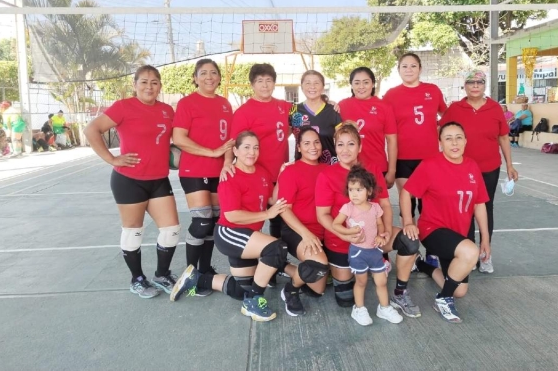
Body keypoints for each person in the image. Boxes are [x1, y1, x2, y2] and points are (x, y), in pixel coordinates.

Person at [170, 132, 313, 321]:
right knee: (277, 248)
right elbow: (232, 215)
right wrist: (266, 214)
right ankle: (254, 301)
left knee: (241, 290)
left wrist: (281, 175)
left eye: (256, 147)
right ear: (235, 150)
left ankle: (196, 279)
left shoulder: (261, 172)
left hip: (248, 236)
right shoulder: (230, 176)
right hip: (231, 234)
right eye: (246, 147)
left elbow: (271, 199)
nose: (252, 152)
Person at [84, 65, 180, 299]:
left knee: (171, 230)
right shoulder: (123, 106)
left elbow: (176, 141)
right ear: (135, 85)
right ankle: (137, 279)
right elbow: (91, 129)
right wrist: (111, 158)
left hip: (158, 179)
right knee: (133, 232)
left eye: (154, 82)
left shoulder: (167, 110)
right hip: (129, 180)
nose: (149, 86)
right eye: (144, 82)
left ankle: (162, 274)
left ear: (160, 86)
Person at [315, 122, 420, 318]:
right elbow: (322, 215)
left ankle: (399, 291)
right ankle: (359, 269)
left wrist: (386, 231)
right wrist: (344, 235)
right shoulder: (326, 175)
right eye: (340, 144)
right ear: (335, 147)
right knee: (345, 300)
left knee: (410, 241)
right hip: (342, 242)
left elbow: (386, 206)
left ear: (360, 147)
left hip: (372, 238)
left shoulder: (371, 169)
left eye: (351, 144)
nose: (345, 150)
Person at [400, 122, 490, 324]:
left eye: (459, 137)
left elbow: (479, 204)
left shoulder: (472, 166)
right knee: (469, 252)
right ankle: (442, 299)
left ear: (466, 141)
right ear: (440, 143)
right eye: (448, 138)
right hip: (433, 229)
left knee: (460, 290)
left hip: (458, 234)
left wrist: (486, 237)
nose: (454, 142)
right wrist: (408, 221)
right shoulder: (430, 165)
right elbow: (407, 192)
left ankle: (422, 265)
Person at [439, 69, 518, 274]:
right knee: (463, 210)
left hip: (489, 168)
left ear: (485, 86)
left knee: (485, 210)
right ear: (464, 86)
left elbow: (503, 138)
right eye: (471, 82)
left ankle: (485, 255)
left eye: (479, 82)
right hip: (460, 170)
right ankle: (469, 255)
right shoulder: (455, 108)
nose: (475, 86)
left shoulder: (494, 108)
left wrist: (509, 165)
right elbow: (442, 134)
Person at [172, 59, 235, 294]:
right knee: (202, 221)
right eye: (203, 73)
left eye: (213, 73)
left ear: (219, 77)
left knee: (214, 222)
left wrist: (227, 161)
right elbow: (179, 138)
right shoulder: (187, 103)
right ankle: (190, 272)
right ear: (195, 78)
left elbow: (229, 140)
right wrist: (211, 152)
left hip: (219, 172)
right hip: (194, 170)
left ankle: (205, 269)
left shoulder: (225, 104)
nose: (209, 77)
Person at [383, 52, 447, 266]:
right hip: (403, 158)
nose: (409, 70)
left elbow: (446, 116)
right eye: (404, 66)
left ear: (420, 68)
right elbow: (378, 117)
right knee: (407, 205)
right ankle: (410, 250)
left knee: (428, 206)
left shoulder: (432, 90)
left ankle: (431, 251)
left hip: (429, 158)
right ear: (398, 70)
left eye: (413, 66)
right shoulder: (391, 95)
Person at [332, 165, 403, 325]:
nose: (354, 194)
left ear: (369, 191)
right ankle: (359, 309)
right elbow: (335, 224)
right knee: (361, 281)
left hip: (374, 252)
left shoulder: (375, 207)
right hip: (358, 253)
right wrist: (349, 232)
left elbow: (380, 224)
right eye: (351, 190)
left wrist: (381, 235)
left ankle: (384, 308)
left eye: (359, 190)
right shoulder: (348, 208)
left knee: (381, 281)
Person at [230, 63, 291, 239]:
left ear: (274, 83)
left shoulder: (285, 106)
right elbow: (235, 142)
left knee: (280, 218)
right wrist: (228, 163)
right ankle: (251, 257)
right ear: (252, 84)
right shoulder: (244, 112)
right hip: (256, 174)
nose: (264, 85)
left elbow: (305, 112)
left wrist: (329, 103)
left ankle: (277, 259)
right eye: (259, 81)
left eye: (269, 80)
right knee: (255, 219)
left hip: (280, 174)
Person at [277, 127, 330, 300]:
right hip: (297, 231)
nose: (313, 147)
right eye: (306, 143)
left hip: (324, 231)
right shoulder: (291, 171)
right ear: (298, 147)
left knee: (317, 290)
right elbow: (284, 209)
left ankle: (282, 266)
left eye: (316, 142)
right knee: (318, 266)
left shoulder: (327, 169)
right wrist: (306, 234)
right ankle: (290, 290)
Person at [338, 67, 397, 188]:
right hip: (349, 167)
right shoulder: (342, 105)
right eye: (357, 82)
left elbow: (392, 141)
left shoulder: (384, 107)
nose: (361, 86)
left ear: (373, 84)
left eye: (366, 82)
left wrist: (392, 171)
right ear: (351, 85)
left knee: (377, 205)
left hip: (376, 167)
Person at [290, 70, 342, 164]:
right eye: (308, 83)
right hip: (303, 167)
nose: (312, 86)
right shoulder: (294, 111)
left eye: (316, 83)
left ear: (323, 87)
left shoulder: (332, 110)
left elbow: (342, 140)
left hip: (328, 167)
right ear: (301, 87)